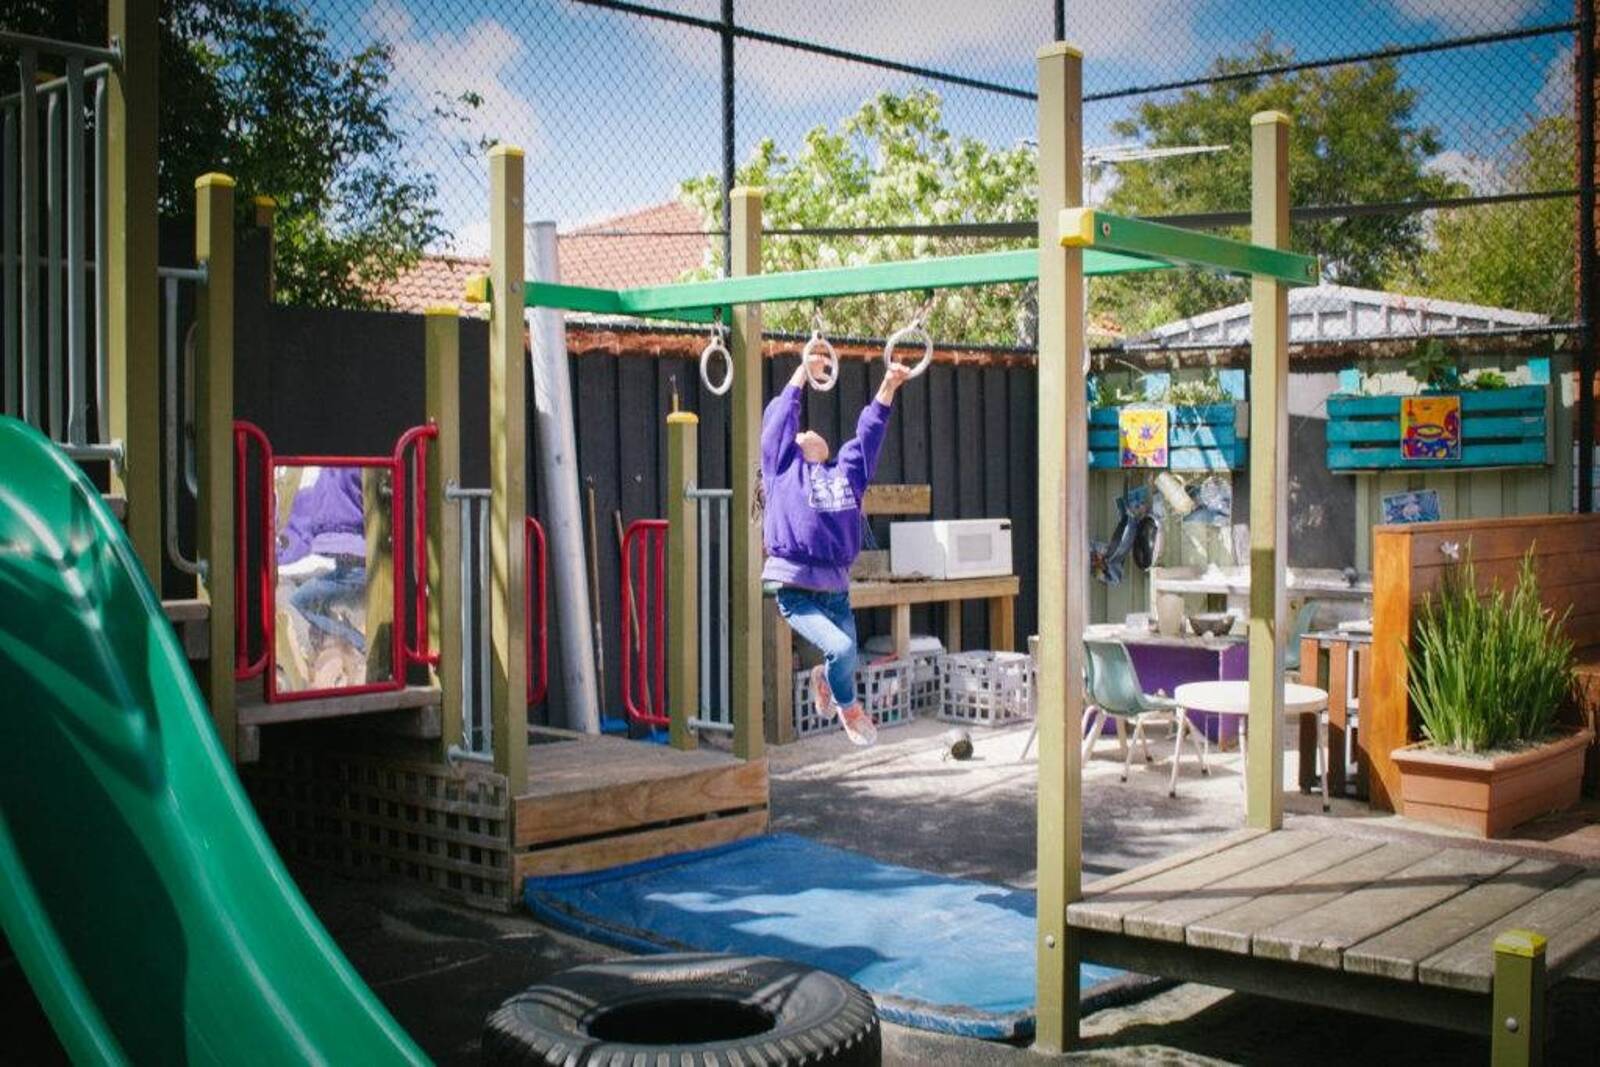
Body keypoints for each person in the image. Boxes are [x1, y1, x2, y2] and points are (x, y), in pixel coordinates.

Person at [761, 352, 912, 745]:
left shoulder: (846, 474)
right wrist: (802, 374)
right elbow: (778, 423)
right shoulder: (782, 470)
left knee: (846, 655)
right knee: (843, 650)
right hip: (796, 591)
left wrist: (889, 385)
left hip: (836, 591)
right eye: (799, 432)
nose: (806, 431)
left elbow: (869, 434)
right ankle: (849, 707)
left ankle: (824, 680)